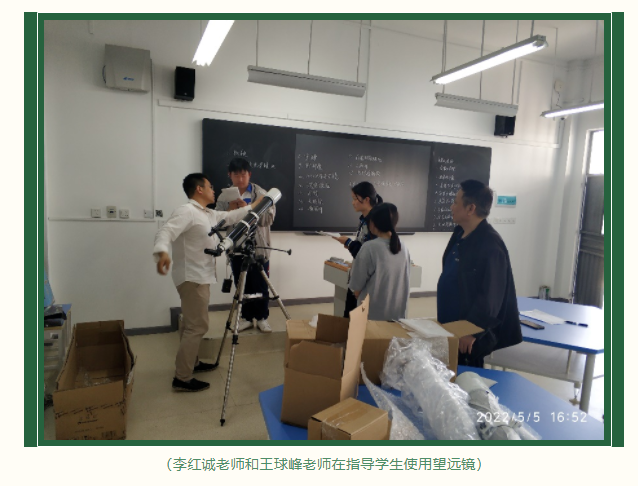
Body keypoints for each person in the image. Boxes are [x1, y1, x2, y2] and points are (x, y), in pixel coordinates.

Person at [154, 173, 263, 392]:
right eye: (210, 187)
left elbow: (232, 216)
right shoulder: (187, 211)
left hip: (199, 277)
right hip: (192, 277)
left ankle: (192, 363)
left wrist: (258, 203)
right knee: (198, 326)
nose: (214, 190)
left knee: (191, 324)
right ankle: (182, 377)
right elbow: (166, 231)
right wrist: (162, 252)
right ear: (199, 189)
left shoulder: (207, 213)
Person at [437, 179, 522, 368]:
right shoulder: (459, 234)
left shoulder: (490, 245)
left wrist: (471, 331)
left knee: (465, 377)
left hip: (468, 336)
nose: (451, 207)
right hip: (450, 325)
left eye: (456, 202)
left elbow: (491, 296)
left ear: (470, 208)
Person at [215, 157, 276, 333]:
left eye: (243, 175)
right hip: (236, 248)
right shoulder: (224, 196)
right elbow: (217, 221)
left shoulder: (262, 194)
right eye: (236, 175)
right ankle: (247, 318)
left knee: (261, 284)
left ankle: (262, 318)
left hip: (259, 247)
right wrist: (229, 211)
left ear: (249, 174)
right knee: (242, 285)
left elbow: (268, 219)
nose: (240, 179)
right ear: (230, 175)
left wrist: (248, 208)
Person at [348, 203, 411, 321]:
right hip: (397, 315)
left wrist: (357, 293)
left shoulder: (369, 248)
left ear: (373, 223)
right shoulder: (403, 247)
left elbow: (356, 285)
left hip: (371, 316)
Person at [332, 181, 383, 317]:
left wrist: (349, 243)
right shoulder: (364, 220)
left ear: (366, 200)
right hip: (358, 275)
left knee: (356, 318)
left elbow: (368, 254)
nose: (353, 202)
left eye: (355, 199)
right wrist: (350, 245)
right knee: (349, 315)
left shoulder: (374, 222)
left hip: (365, 281)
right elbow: (363, 247)